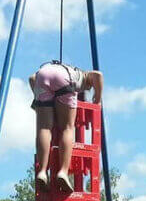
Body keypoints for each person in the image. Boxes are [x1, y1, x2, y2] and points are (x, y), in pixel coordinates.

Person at [29, 61, 103, 193]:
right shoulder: (83, 76)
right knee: (67, 128)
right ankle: (63, 171)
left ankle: (42, 171)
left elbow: (32, 78)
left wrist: (38, 100)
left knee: (44, 128)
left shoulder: (53, 67)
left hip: (41, 76)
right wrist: (97, 98)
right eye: (88, 88)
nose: (86, 89)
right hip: (65, 79)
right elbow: (98, 75)